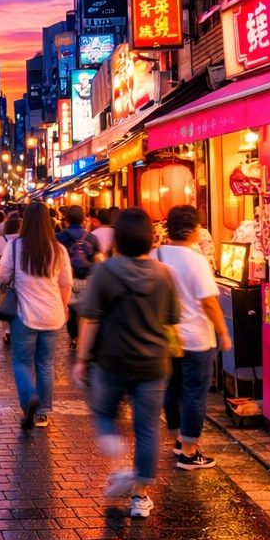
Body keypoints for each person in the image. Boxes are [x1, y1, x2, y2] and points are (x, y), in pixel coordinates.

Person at [74, 208, 180, 519]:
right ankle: (139, 497)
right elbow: (171, 320)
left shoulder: (107, 270)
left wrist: (82, 358)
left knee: (104, 413)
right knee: (147, 428)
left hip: (112, 361)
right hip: (154, 363)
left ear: (119, 237)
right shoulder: (164, 273)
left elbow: (90, 318)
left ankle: (119, 466)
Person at [155, 205, 230, 470]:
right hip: (197, 338)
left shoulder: (157, 254)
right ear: (196, 229)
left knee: (174, 388)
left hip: (168, 338)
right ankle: (189, 451)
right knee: (194, 394)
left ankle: (178, 438)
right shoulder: (196, 259)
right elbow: (209, 302)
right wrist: (223, 331)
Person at [0, 201, 72, 430]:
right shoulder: (58, 249)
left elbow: (1, 276)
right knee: (46, 364)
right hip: (53, 315)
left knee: (21, 362)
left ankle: (29, 397)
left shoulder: (15, 246)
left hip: (24, 315)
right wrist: (64, 306)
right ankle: (42, 413)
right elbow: (66, 284)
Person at [57, 206, 99, 341]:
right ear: (83, 219)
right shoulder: (92, 238)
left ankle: (73, 338)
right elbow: (98, 259)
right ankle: (84, 337)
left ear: (67, 220)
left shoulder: (58, 237)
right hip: (87, 279)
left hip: (67, 278)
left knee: (71, 308)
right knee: (84, 308)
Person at [0, 215, 21, 346]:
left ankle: (7, 331)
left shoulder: (1, 239)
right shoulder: (22, 240)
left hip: (4, 274)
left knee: (4, 300)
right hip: (19, 276)